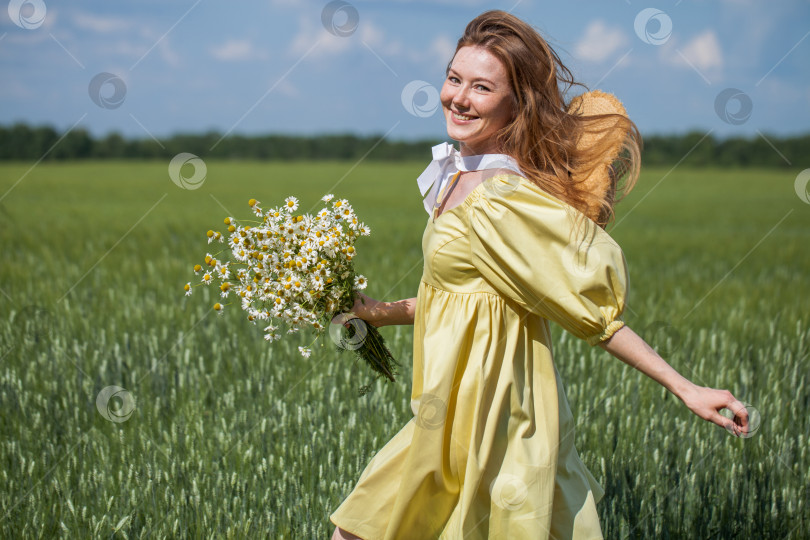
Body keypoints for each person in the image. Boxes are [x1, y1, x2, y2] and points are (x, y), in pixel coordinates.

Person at [330, 10, 749, 540]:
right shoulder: (456, 178)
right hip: (444, 417)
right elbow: (467, 298)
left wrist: (684, 387)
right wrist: (378, 314)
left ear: (515, 103)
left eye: (481, 87)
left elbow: (594, 317)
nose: (458, 97)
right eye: (454, 78)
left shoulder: (502, 200)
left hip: (497, 420)